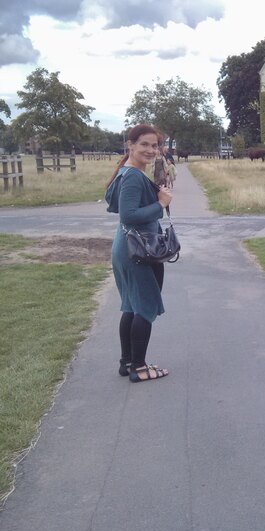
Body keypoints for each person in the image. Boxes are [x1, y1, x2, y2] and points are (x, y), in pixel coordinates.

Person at [105, 124, 173, 382]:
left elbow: (115, 205)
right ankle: (139, 368)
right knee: (143, 308)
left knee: (132, 307)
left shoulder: (125, 172)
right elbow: (128, 215)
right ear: (130, 145)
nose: (151, 150)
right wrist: (160, 204)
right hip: (139, 250)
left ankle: (127, 363)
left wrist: (154, 198)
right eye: (144, 144)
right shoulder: (133, 175)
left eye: (154, 145)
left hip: (126, 247)